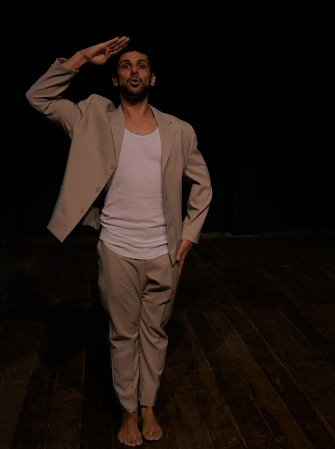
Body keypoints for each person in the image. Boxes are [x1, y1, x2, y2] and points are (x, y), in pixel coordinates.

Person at [26, 36, 212, 446]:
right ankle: (129, 412)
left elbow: (203, 186)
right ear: (115, 78)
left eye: (141, 65)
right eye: (126, 66)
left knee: (155, 334)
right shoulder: (91, 117)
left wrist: (189, 236)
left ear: (153, 77)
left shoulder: (179, 131)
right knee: (123, 334)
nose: (134, 71)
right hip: (116, 248)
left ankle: (148, 406)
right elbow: (38, 97)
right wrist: (80, 58)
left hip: (163, 252)